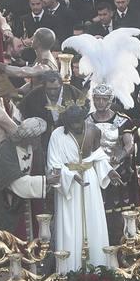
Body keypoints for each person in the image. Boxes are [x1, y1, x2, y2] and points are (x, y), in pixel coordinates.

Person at [47, 106, 112, 271]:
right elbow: (53, 163)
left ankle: (98, 268)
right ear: (66, 121)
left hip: (90, 179)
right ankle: (69, 270)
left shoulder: (93, 130)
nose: (76, 126)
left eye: (78, 122)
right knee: (69, 224)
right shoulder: (57, 135)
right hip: (69, 184)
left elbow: (98, 156)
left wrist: (109, 171)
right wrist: (70, 176)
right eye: (72, 123)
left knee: (94, 220)